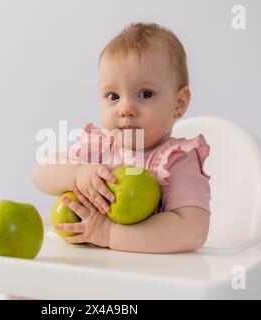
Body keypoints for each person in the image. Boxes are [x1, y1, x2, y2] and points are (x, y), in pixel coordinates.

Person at [33, 22, 211, 253]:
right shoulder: (97, 149)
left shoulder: (177, 161)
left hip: (150, 280)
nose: (125, 108)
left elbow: (192, 230)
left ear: (179, 103)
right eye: (113, 96)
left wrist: (110, 234)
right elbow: (41, 174)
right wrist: (77, 173)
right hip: (91, 274)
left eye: (145, 94)